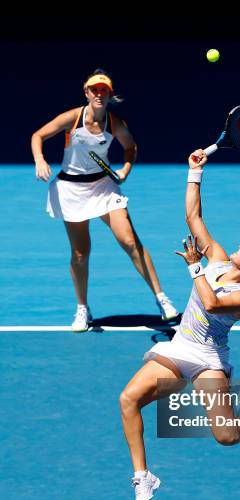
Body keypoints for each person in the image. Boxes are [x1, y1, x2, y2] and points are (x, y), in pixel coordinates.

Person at [120, 148, 240, 500]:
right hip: (178, 347)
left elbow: (212, 303)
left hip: (208, 361)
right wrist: (194, 173)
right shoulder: (215, 256)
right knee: (128, 400)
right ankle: (143, 476)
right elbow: (193, 216)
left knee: (227, 436)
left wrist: (194, 268)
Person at [31, 69, 178, 331]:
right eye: (94, 90)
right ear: (86, 93)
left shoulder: (115, 123)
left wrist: (125, 170)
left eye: (104, 90)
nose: (99, 94)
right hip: (71, 190)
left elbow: (130, 147)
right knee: (80, 253)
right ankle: (82, 309)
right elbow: (38, 136)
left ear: (110, 94)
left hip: (104, 187)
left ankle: (161, 298)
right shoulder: (72, 118)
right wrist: (40, 160)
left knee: (130, 241)